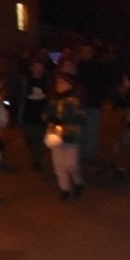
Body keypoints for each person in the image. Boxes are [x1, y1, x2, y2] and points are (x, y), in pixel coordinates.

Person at [44, 72, 86, 200]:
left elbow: (81, 118)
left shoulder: (75, 101)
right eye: (58, 83)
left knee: (71, 164)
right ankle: (65, 189)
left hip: (71, 136)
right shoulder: (53, 100)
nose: (59, 85)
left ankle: (78, 182)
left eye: (63, 83)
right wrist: (49, 118)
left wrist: (64, 121)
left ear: (70, 85)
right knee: (59, 165)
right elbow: (46, 114)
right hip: (55, 136)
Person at [17, 58, 52, 171]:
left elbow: (51, 95)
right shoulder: (27, 80)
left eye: (40, 67)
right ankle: (35, 155)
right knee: (29, 137)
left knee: (40, 137)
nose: (38, 70)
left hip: (41, 113)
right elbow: (21, 95)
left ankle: (37, 160)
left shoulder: (47, 80)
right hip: (28, 113)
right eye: (36, 67)